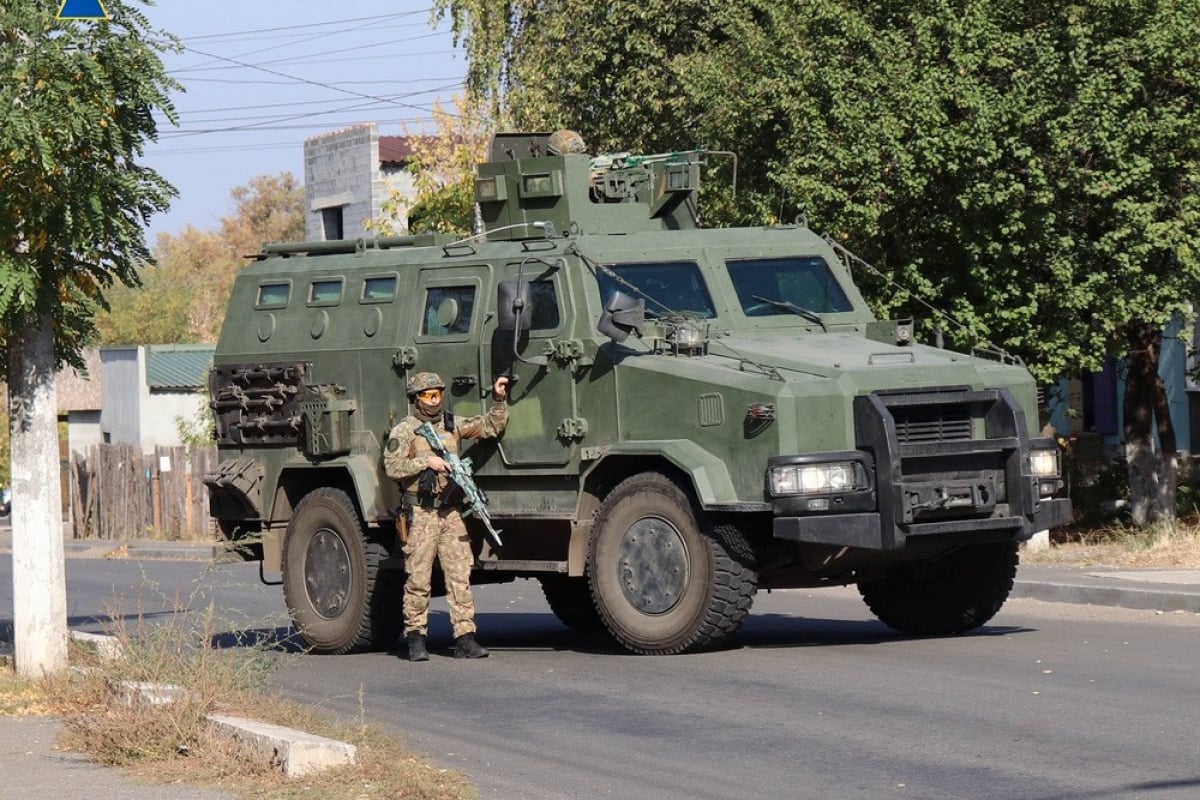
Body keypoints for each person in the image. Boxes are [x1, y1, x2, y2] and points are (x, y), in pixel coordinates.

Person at [384, 371, 510, 661]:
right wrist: (424, 461)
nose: (434, 400)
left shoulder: (451, 424)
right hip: (420, 512)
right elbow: (392, 467)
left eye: (438, 394)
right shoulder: (405, 431)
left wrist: (499, 399)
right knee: (418, 577)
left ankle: (465, 637)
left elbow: (490, 426)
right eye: (428, 395)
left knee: (459, 574)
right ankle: (416, 639)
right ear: (417, 399)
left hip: (449, 511)